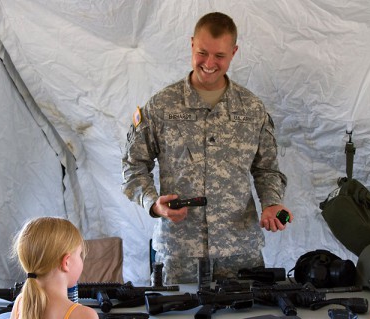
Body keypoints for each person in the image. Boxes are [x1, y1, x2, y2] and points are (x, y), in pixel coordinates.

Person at [122, 12, 292, 284]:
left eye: (220, 56)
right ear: (191, 45)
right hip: (181, 253)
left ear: (234, 52)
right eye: (202, 53)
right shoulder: (162, 107)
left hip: (239, 252)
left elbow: (267, 169)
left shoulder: (251, 109)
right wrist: (153, 203)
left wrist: (272, 203)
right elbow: (133, 166)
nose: (209, 63)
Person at [10, 217, 98, 319]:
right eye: (80, 254)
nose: (82, 259)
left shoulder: (21, 303)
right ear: (66, 262)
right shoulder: (84, 315)